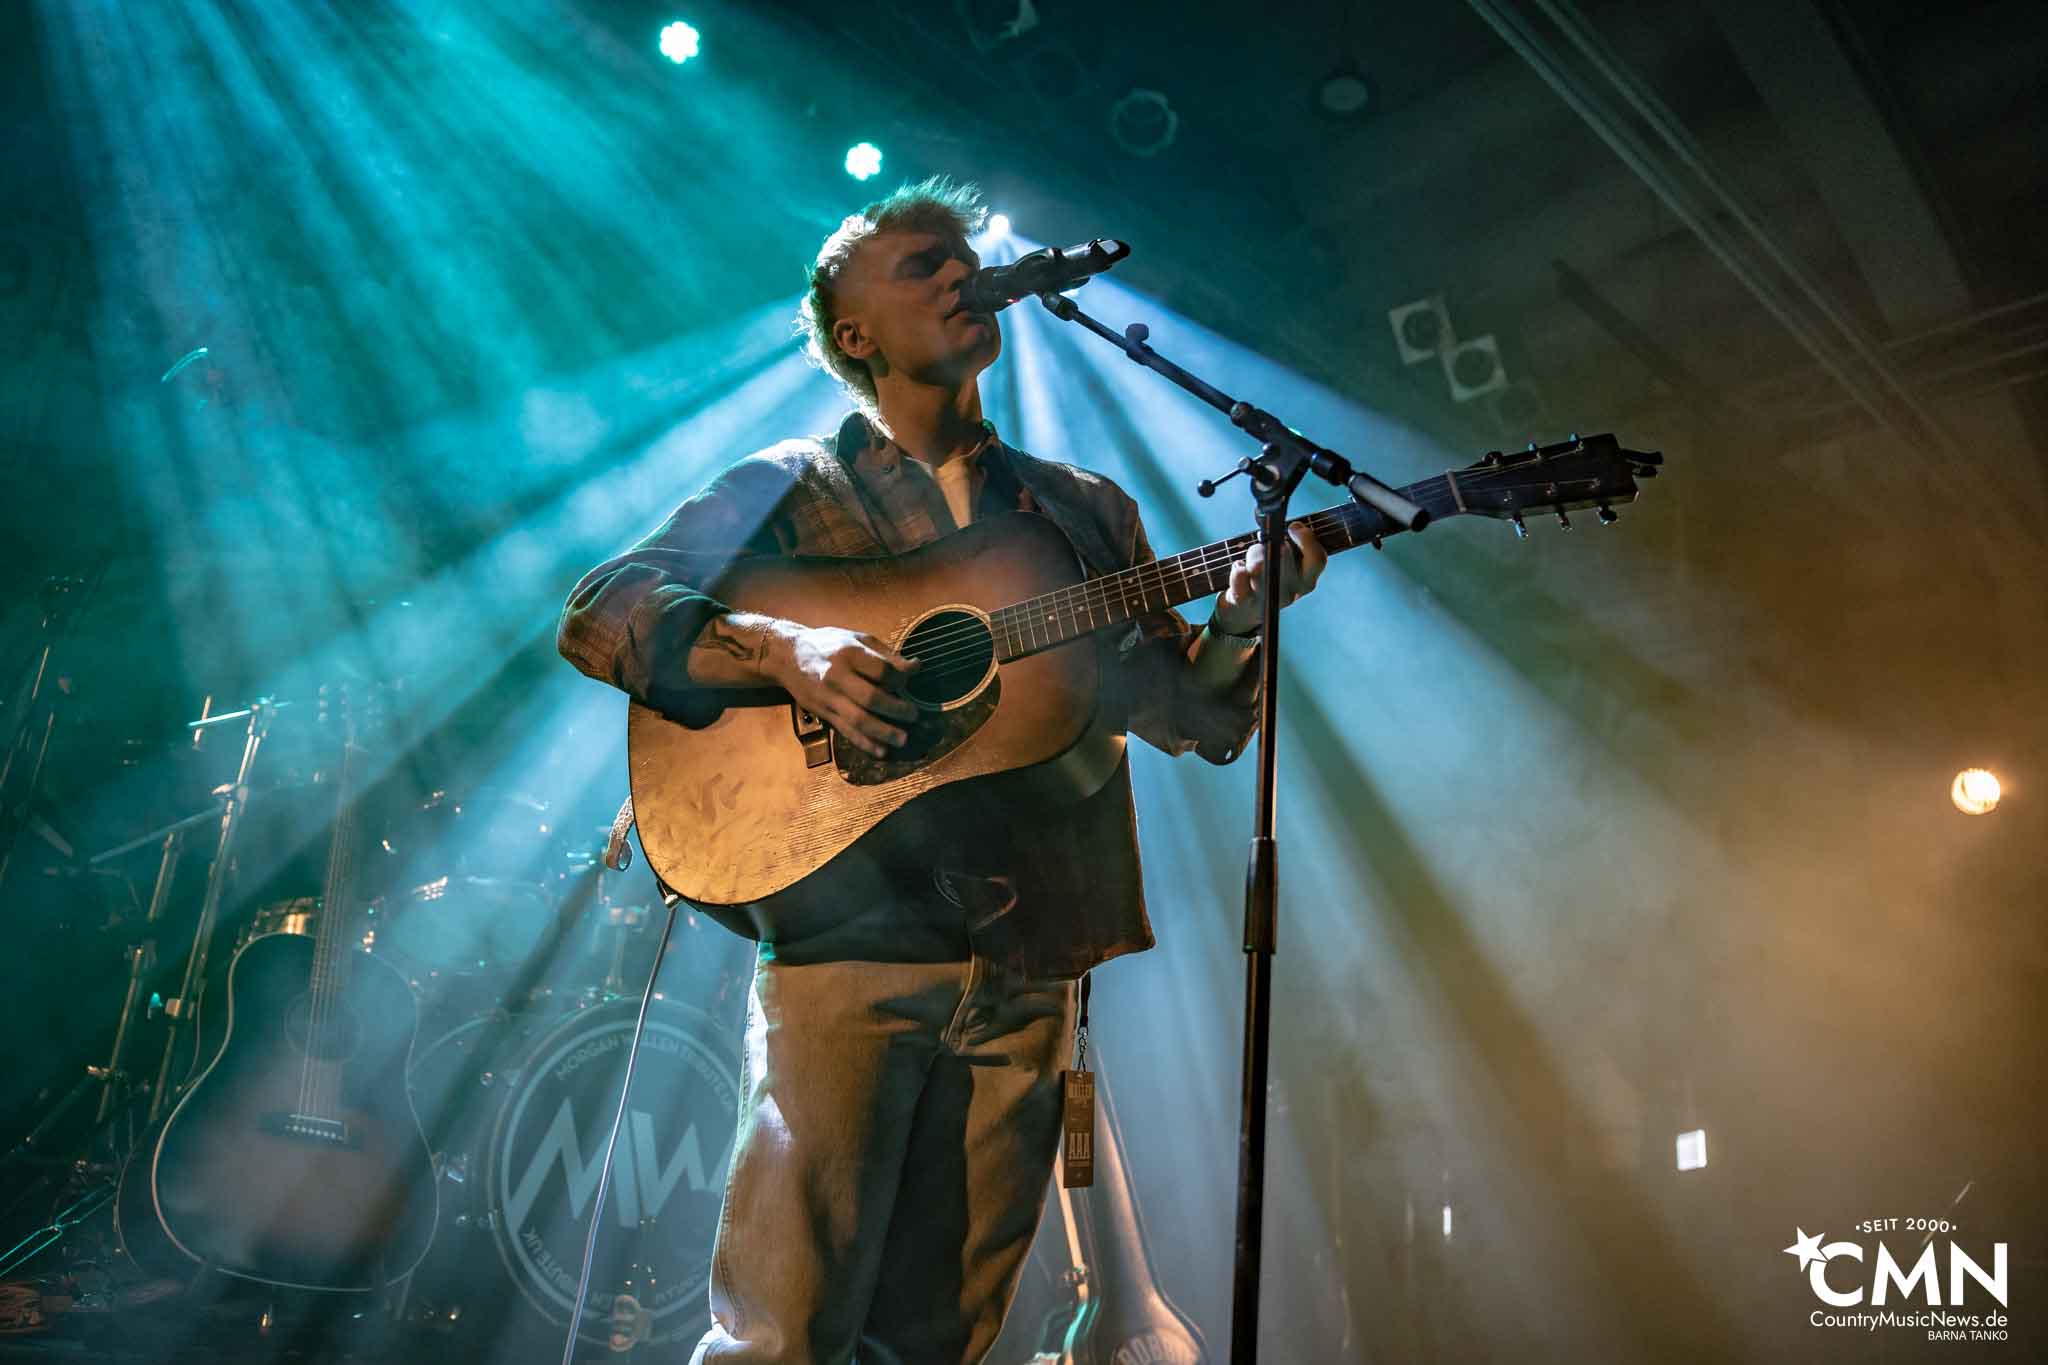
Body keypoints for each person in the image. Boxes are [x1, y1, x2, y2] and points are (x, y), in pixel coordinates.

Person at [557, 177, 1325, 1365]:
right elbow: (600, 609)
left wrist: (1237, 621)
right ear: (851, 334)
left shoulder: (1079, 512)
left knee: (939, 1346)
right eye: (921, 263)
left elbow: (1196, 719)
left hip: (1032, 960)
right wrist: (784, 645)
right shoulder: (788, 487)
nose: (960, 273)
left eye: (965, 256)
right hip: (848, 940)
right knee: (781, 1335)